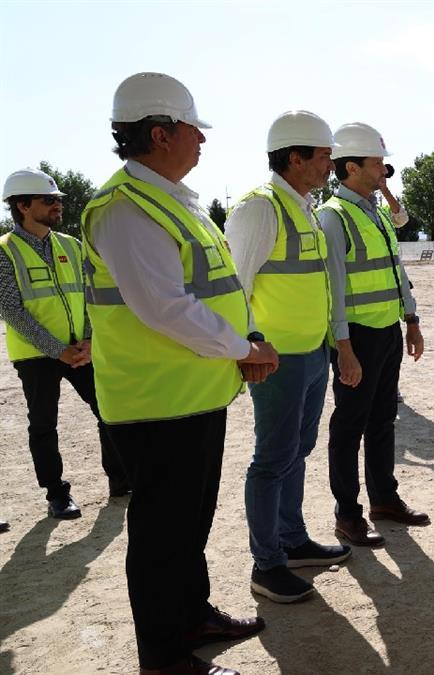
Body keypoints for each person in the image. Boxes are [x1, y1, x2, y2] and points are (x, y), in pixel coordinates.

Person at [81, 72, 278, 675]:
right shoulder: (125, 210)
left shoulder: (174, 202)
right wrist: (242, 348)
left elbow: (216, 289)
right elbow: (165, 308)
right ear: (160, 133)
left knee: (188, 526)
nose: (203, 141)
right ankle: (164, 657)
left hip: (194, 393)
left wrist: (245, 341)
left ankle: (191, 615)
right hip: (155, 401)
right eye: (195, 129)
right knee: (162, 535)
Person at [225, 111, 351, 605]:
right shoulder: (260, 208)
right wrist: (250, 342)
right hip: (276, 360)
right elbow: (234, 285)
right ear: (294, 158)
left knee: (296, 452)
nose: (329, 165)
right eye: (323, 156)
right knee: (272, 458)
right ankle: (267, 563)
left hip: (311, 354)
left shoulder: (303, 207)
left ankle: (292, 539)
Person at [317, 122, 427, 548]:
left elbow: (397, 272)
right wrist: (343, 348)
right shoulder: (333, 217)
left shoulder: (375, 212)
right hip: (356, 339)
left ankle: (384, 499)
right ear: (351, 167)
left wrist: (411, 320)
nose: (384, 168)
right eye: (377, 161)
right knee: (349, 426)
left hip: (387, 333)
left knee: (383, 421)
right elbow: (334, 289)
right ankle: (348, 515)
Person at [2, 168, 129, 519]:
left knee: (109, 410)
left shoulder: (71, 246)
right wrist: (57, 349)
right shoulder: (4, 252)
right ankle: (57, 494)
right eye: (49, 200)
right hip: (36, 355)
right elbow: (13, 312)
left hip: (82, 348)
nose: (58, 205)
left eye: (58, 200)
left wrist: (89, 340)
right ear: (23, 205)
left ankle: (120, 480)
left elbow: (91, 295)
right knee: (43, 424)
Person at [376, 174, 420, 403]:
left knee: (391, 348)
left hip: (393, 284)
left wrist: (384, 190)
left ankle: (392, 388)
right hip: (373, 291)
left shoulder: (381, 214)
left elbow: (401, 218)